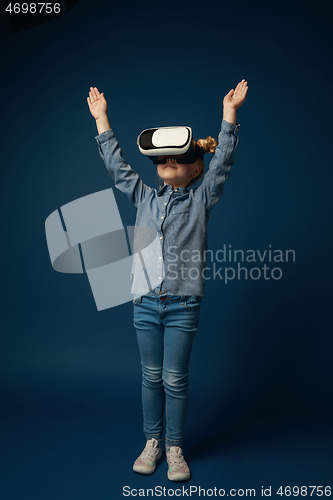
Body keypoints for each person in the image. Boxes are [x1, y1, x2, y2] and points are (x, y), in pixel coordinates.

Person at [87, 80, 248, 481]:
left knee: (175, 379)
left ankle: (175, 448)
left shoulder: (202, 198)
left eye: (177, 161)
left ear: (196, 168)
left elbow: (223, 161)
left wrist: (229, 115)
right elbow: (117, 167)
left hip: (182, 304)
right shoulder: (144, 196)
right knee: (150, 376)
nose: (167, 165)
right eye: (161, 162)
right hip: (144, 302)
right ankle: (152, 442)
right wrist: (102, 120)